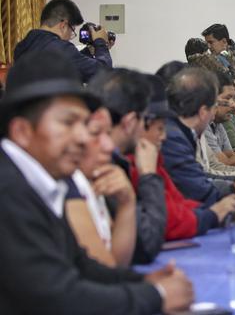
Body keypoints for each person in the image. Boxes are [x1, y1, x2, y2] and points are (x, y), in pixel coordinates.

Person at [0, 50, 192, 314]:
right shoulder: (8, 190)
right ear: (22, 131)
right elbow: (56, 297)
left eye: (83, 123)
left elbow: (81, 264)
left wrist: (142, 281)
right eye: (68, 122)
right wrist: (155, 295)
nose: (81, 137)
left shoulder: (40, 181)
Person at [133, 75, 235, 240]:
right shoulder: (166, 142)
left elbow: (176, 202)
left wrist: (214, 212)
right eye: (160, 128)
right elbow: (155, 230)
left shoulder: (151, 151)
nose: (164, 137)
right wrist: (213, 214)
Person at [88, 69, 166, 264]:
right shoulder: (103, 166)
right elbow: (147, 243)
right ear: (131, 121)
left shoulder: (118, 160)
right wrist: (148, 175)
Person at [66, 106, 137, 267]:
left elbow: (117, 263)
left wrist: (127, 203)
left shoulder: (93, 180)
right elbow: (106, 270)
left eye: (108, 133)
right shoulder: (67, 187)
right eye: (95, 133)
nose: (109, 146)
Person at [13, 0, 112, 83]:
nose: (70, 37)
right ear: (63, 26)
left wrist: (89, 51)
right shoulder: (61, 49)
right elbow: (104, 75)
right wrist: (100, 42)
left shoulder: (23, 46)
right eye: (72, 30)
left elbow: (70, 65)